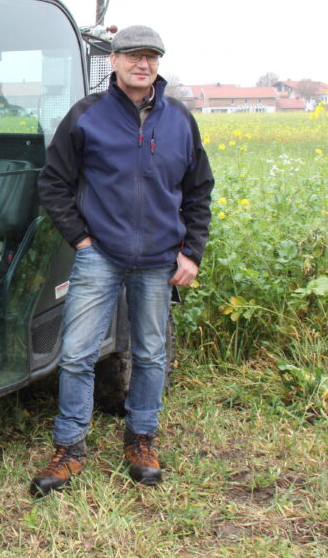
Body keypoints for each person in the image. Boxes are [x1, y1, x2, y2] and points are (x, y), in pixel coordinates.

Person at [31, 25, 213, 495]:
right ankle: (69, 448)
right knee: (76, 354)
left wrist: (191, 252)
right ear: (112, 62)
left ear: (158, 64)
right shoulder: (86, 117)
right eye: (132, 55)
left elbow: (198, 191)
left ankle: (141, 439)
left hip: (158, 260)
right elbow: (53, 184)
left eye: (151, 56)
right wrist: (82, 240)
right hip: (100, 257)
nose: (142, 63)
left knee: (150, 353)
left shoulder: (179, 121)